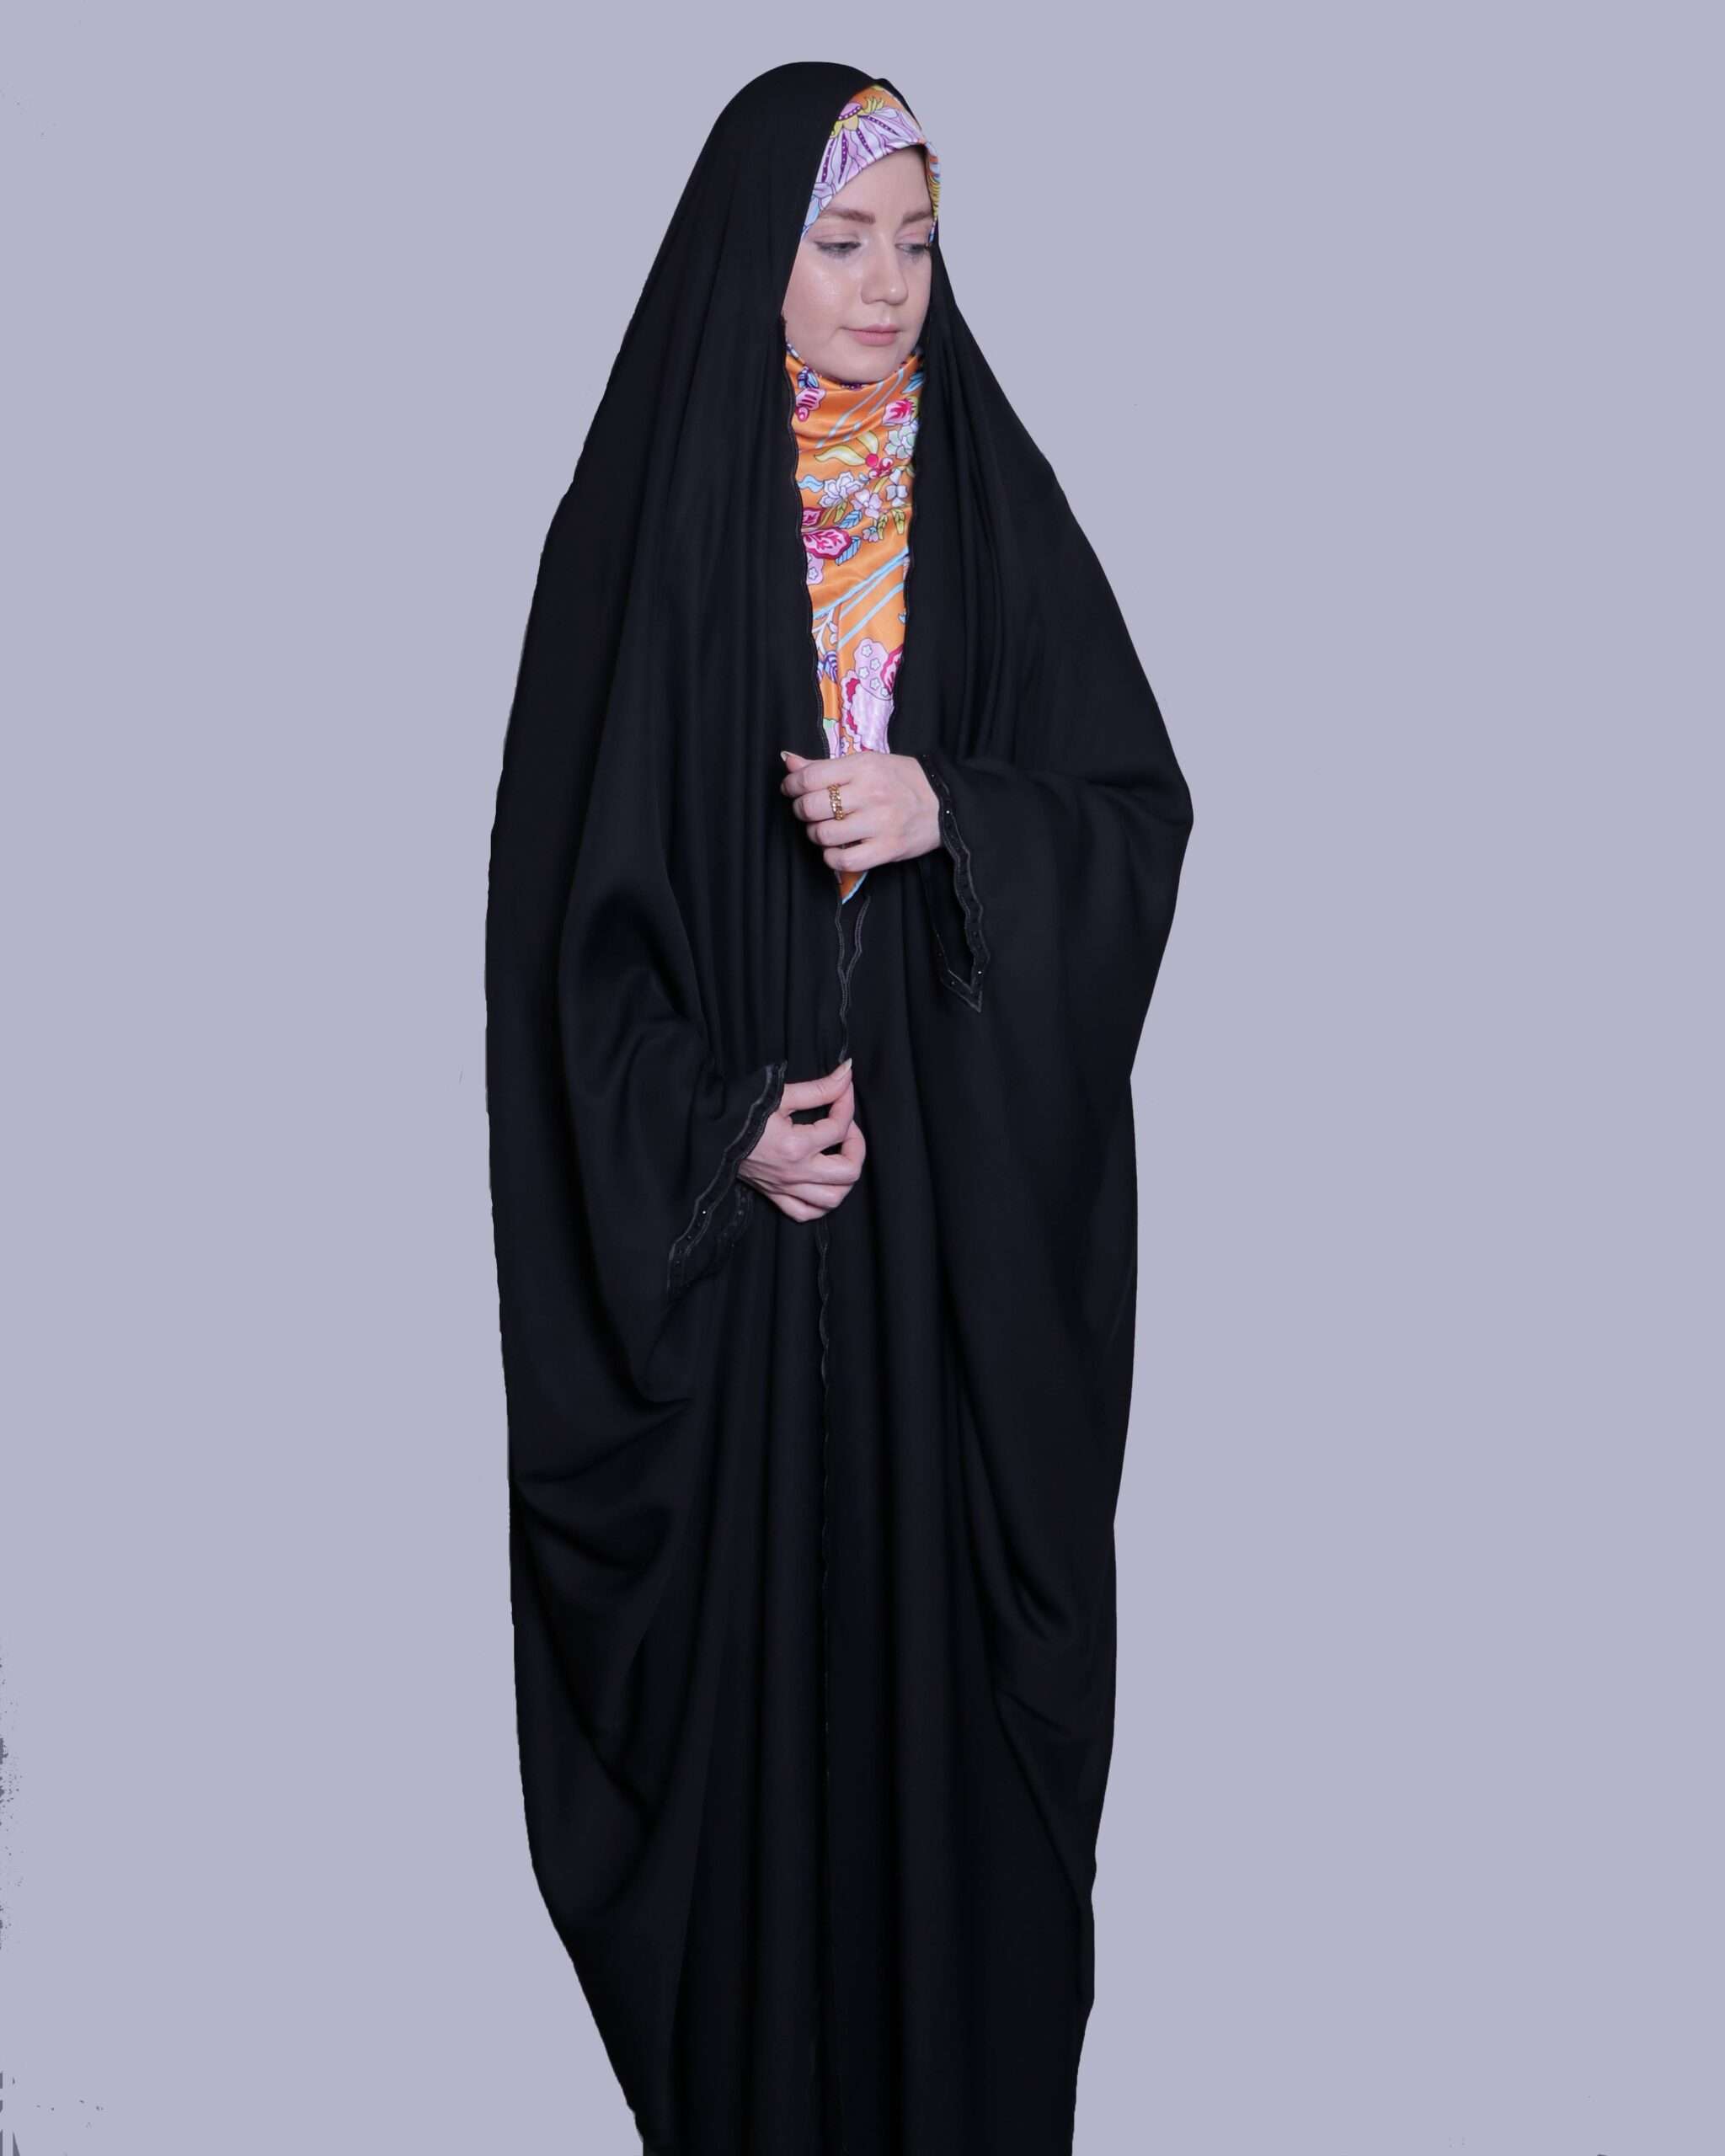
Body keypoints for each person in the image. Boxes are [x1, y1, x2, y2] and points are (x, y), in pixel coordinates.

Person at [485, 61, 1194, 2156]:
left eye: (916, 242)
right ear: (754, 260)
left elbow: (1133, 814)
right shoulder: (641, 531)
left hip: (949, 1254)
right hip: (743, 1274)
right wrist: (716, 1129)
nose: (886, 286)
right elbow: (554, 937)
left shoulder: (992, 505)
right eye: (840, 239)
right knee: (752, 1759)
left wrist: (949, 809)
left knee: (951, 1727)